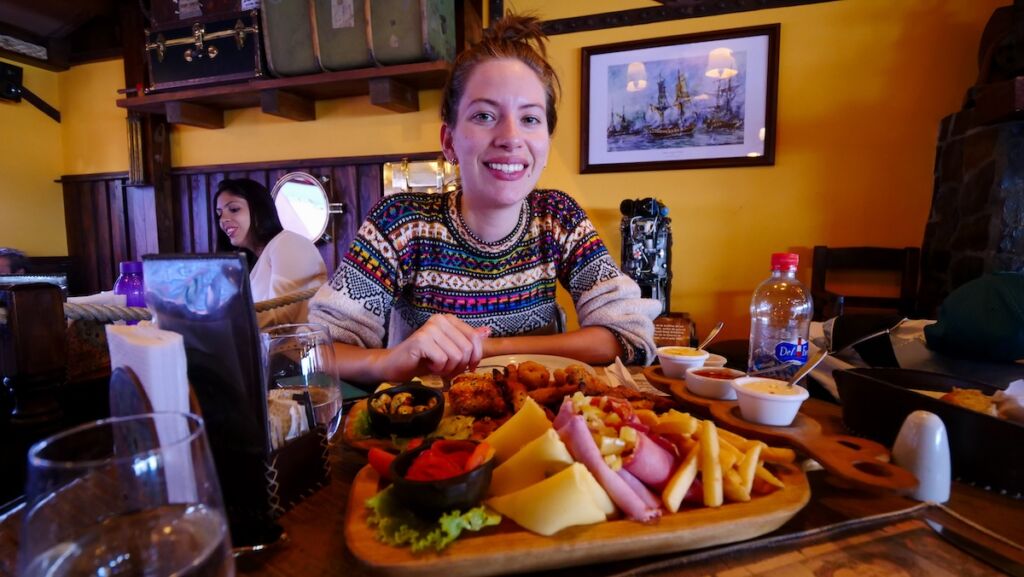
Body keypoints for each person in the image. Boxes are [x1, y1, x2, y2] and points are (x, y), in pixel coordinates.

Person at [309, 14, 661, 385]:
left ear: (545, 143)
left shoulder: (558, 218)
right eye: (484, 115)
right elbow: (318, 349)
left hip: (542, 425)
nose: (511, 137)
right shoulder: (401, 222)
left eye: (529, 119)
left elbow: (629, 335)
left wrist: (488, 350)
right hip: (426, 432)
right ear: (449, 142)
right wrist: (389, 362)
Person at [214, 178, 328, 328]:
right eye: (219, 214)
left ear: (259, 210)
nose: (223, 219)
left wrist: (215, 325)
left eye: (234, 209)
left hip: (303, 349)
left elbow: (281, 316)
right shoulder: (253, 261)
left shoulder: (288, 242)